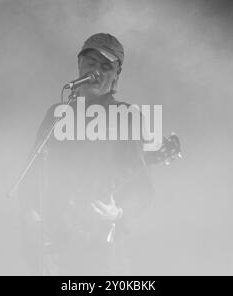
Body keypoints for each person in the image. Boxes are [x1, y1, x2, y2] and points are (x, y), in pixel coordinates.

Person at [20, 33, 154, 275]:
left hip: (101, 251)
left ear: (116, 75)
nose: (97, 72)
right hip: (54, 250)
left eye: (106, 67)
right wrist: (32, 218)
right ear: (79, 65)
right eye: (91, 63)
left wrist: (119, 212)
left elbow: (142, 188)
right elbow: (31, 174)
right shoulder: (57, 114)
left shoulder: (126, 116)